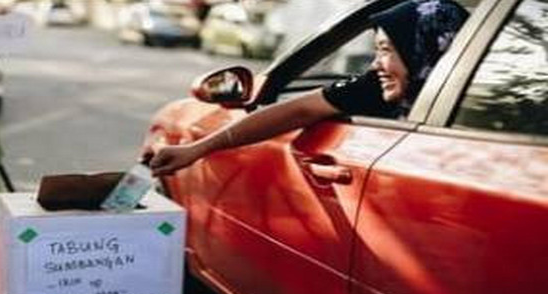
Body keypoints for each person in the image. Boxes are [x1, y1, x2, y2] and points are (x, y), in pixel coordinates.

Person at [145, 0, 469, 175]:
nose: (375, 65)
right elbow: (299, 109)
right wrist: (197, 149)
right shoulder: (379, 88)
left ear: (423, 49)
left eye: (386, 50)